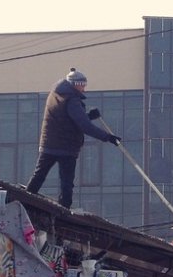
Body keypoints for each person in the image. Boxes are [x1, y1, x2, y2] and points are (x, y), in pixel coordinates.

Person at [24, 68, 121, 210]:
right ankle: (64, 211)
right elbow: (84, 126)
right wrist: (108, 137)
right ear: (76, 84)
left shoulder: (56, 94)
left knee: (39, 175)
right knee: (67, 183)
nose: (84, 89)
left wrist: (88, 115)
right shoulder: (72, 100)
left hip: (49, 144)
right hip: (66, 148)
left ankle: (25, 200)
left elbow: (67, 120)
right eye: (83, 85)